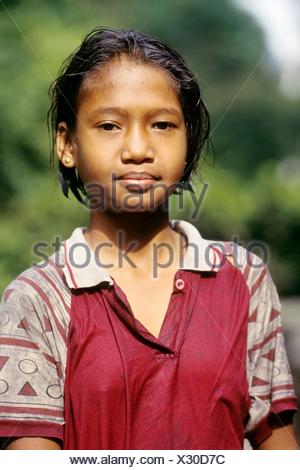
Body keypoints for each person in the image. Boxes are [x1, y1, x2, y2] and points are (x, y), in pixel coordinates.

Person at [0, 27, 298, 450]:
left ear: (188, 139)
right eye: (108, 125)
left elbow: (279, 446)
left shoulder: (243, 279)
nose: (138, 148)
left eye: (162, 125)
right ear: (67, 144)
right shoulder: (37, 300)